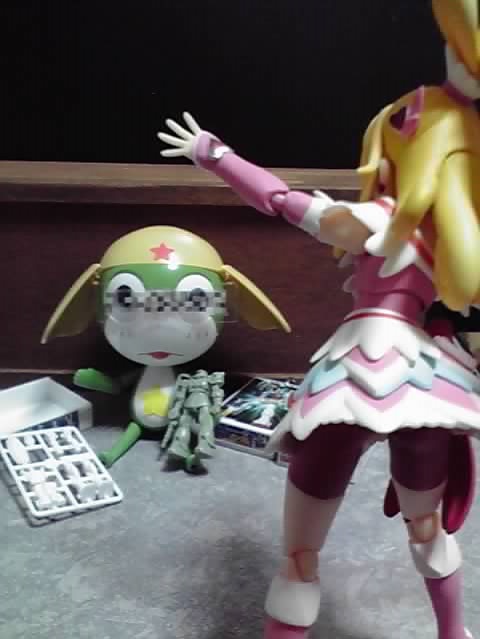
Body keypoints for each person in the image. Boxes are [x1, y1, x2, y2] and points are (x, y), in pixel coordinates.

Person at [158, 3, 480, 636]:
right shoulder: (455, 247)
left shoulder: (380, 222)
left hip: (352, 379)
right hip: (423, 386)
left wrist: (216, 155)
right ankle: (456, 633)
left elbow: (285, 201)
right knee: (425, 532)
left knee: (301, 558)